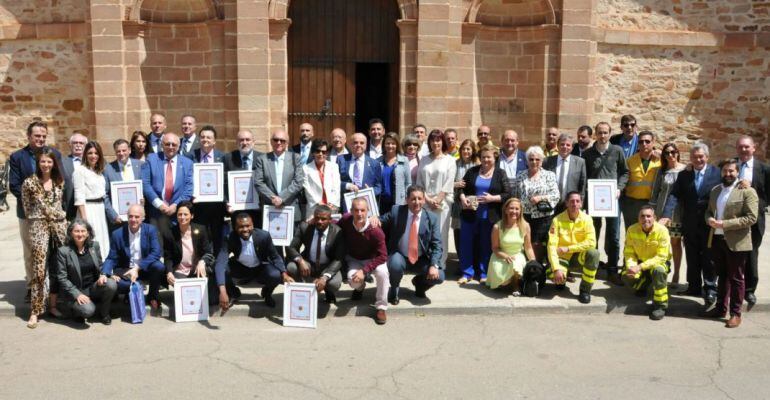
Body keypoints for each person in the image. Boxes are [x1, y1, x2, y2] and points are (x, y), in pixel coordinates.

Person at [9, 121, 63, 303]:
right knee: (31, 253)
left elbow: (60, 179)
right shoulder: (17, 157)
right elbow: (14, 185)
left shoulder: (54, 154)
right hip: (28, 214)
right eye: (37, 135)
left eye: (43, 136)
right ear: (29, 136)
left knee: (53, 252)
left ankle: (53, 288)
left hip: (52, 216)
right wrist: (36, 203)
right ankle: (32, 288)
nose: (40, 139)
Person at [660, 142, 721, 304]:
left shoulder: (717, 173)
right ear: (690, 158)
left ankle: (709, 288)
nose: (698, 159)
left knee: (709, 257)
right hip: (690, 222)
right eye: (694, 157)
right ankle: (693, 286)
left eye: (701, 156)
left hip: (710, 223)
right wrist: (666, 214)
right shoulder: (684, 175)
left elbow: (729, 185)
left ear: (707, 157)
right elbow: (674, 195)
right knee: (692, 256)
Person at [701, 159, 758, 328]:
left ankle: (735, 313)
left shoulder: (747, 191)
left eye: (731, 171)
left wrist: (724, 224)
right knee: (722, 276)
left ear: (737, 172)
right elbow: (709, 211)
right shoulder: (716, 190)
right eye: (725, 171)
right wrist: (709, 219)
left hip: (737, 242)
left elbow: (751, 218)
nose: (728, 174)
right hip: (717, 239)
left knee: (736, 278)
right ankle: (720, 308)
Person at [21, 147, 68, 328]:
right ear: (38, 163)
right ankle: (35, 310)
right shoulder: (29, 183)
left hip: (58, 227)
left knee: (57, 266)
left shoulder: (58, 182)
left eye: (49, 161)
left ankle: (54, 306)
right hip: (38, 226)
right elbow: (27, 208)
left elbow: (59, 205)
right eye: (43, 161)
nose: (46, 164)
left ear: (53, 164)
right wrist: (39, 221)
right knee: (39, 268)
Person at [376, 185, 444, 304]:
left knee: (440, 277)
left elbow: (437, 245)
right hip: (400, 255)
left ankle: (420, 284)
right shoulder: (396, 211)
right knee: (395, 264)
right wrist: (373, 218)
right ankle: (394, 288)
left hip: (421, 258)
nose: (416, 202)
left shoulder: (432, 218)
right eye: (413, 199)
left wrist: (434, 265)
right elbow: (380, 221)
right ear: (407, 200)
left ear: (424, 200)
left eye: (419, 198)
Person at [216, 213, 292, 311]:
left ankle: (267, 294)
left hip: (259, 268)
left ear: (253, 225)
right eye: (241, 227)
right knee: (221, 269)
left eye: (248, 226)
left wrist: (284, 273)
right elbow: (220, 262)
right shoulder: (229, 238)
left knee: (275, 275)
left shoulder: (264, 236)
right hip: (240, 267)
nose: (245, 229)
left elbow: (275, 256)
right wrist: (222, 291)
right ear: (235, 227)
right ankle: (234, 292)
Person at [583, 122, 628, 286]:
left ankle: (612, 270)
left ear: (610, 134)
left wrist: (619, 188)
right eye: (600, 133)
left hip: (612, 200)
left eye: (605, 133)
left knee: (614, 236)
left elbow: (624, 172)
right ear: (595, 134)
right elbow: (584, 175)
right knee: (592, 235)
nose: (602, 136)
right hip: (593, 200)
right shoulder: (588, 154)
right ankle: (592, 267)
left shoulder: (617, 151)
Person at [458, 144, 509, 283]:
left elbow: (508, 194)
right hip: (470, 214)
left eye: (489, 157)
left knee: (486, 245)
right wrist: (462, 198)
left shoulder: (500, 173)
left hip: (490, 216)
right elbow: (461, 188)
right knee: (466, 244)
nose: (485, 160)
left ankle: (483, 273)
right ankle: (467, 273)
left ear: (495, 157)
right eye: (483, 157)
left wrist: (492, 198)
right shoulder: (472, 171)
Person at [102, 204, 165, 315]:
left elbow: (156, 252)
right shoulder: (117, 234)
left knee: (159, 266)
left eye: (137, 217)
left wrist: (137, 267)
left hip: (144, 268)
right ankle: (130, 293)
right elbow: (111, 257)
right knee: (116, 283)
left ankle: (152, 296)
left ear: (143, 218)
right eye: (130, 216)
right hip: (126, 271)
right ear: (127, 217)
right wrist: (104, 273)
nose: (133, 219)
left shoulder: (150, 230)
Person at [337, 197, 389, 324]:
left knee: (383, 273)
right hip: (355, 259)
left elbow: (383, 256)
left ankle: (381, 307)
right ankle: (360, 288)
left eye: (362, 210)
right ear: (351, 211)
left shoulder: (376, 230)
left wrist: (364, 271)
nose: (359, 213)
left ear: (368, 211)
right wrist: (314, 219)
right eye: (356, 210)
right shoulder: (346, 220)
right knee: (352, 280)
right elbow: (333, 225)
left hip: (374, 259)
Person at [56, 219, 117, 325]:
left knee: (111, 284)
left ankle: (104, 313)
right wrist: (77, 294)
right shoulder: (63, 251)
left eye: (83, 231)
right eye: (77, 231)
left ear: (88, 233)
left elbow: (100, 265)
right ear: (71, 233)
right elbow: (62, 278)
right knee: (88, 310)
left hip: (92, 287)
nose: (80, 234)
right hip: (75, 290)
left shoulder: (94, 246)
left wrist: (105, 274)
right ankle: (75, 310)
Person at [735, 135, 770, 309]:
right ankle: (732, 286)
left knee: (751, 253)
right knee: (731, 253)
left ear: (754, 148)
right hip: (733, 219)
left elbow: (767, 196)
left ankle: (749, 290)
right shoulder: (730, 166)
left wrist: (752, 193)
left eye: (746, 147)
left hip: (755, 219)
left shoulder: (764, 169)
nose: (743, 150)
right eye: (740, 147)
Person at [546, 191, 599, 304]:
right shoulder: (557, 220)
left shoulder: (587, 219)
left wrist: (569, 248)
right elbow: (551, 246)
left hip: (578, 257)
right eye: (571, 201)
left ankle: (585, 290)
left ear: (581, 204)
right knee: (552, 274)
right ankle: (561, 280)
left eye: (577, 201)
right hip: (562, 258)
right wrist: (556, 269)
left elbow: (591, 243)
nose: (574, 204)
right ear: (566, 203)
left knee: (594, 253)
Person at [141, 132, 194, 246]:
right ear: (162, 145)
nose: (171, 147)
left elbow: (189, 188)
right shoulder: (151, 159)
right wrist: (159, 204)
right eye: (167, 144)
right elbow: (145, 184)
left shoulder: (187, 163)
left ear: (179, 146)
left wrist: (175, 205)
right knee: (157, 246)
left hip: (178, 213)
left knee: (177, 246)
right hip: (156, 213)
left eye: (174, 144)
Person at [285, 205, 344, 304]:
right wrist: (300, 260)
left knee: (335, 283)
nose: (319, 221)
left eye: (323, 219)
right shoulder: (305, 227)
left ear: (330, 220)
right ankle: (303, 291)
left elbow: (339, 259)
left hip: (327, 266)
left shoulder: (337, 232)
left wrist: (325, 277)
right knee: (291, 267)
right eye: (317, 218)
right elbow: (291, 247)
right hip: (309, 264)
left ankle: (328, 292)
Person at [622, 206, 672, 321]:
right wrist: (631, 267)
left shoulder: (662, 231)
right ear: (638, 218)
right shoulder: (632, 229)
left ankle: (660, 306)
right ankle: (644, 282)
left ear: (654, 218)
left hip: (658, 263)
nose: (645, 219)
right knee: (626, 276)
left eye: (648, 216)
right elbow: (629, 252)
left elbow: (662, 256)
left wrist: (640, 267)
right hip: (639, 262)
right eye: (642, 216)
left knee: (658, 271)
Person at [512, 146, 560, 262]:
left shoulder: (549, 175)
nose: (534, 162)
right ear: (527, 161)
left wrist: (540, 198)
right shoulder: (520, 175)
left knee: (539, 244)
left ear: (542, 161)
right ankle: (528, 268)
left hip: (543, 217)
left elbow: (556, 195)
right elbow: (516, 196)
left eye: (537, 159)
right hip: (525, 216)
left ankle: (538, 268)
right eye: (531, 159)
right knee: (526, 242)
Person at [417, 129, 456, 267]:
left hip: (443, 204)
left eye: (438, 140)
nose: (435, 143)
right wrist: (428, 200)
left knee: (441, 233)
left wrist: (438, 199)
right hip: (426, 202)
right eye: (433, 140)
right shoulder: (424, 160)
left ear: (442, 142)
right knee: (426, 232)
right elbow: (420, 183)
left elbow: (449, 182)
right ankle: (427, 262)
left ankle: (439, 263)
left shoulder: (450, 160)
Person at [649, 143, 685, 285]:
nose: (670, 155)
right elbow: (655, 192)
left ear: (678, 153)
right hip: (660, 212)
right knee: (659, 243)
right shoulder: (661, 171)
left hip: (677, 213)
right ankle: (659, 272)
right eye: (667, 153)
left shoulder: (684, 170)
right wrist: (652, 212)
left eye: (673, 152)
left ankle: (676, 274)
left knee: (675, 243)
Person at [254, 129, 305, 224]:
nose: (278, 142)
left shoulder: (295, 158)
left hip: (290, 206)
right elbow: (258, 182)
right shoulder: (262, 159)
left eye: (282, 140)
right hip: (270, 207)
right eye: (276, 139)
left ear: (287, 143)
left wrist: (281, 198)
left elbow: (298, 182)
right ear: (271, 141)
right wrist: (273, 198)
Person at [189, 125, 226, 254]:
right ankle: (200, 262)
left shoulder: (223, 157)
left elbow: (225, 181)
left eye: (209, 137)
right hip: (198, 205)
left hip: (217, 206)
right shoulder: (190, 156)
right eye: (203, 137)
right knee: (199, 235)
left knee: (217, 236)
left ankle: (215, 265)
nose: (205, 140)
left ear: (214, 141)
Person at [487, 198, 536, 295]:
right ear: (505, 210)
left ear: (521, 210)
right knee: (502, 281)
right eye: (511, 208)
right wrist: (505, 256)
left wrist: (533, 262)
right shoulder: (497, 227)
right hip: (500, 256)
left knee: (515, 264)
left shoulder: (525, 226)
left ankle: (515, 285)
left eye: (517, 209)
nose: (514, 211)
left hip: (517, 255)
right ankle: (506, 282)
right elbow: (495, 248)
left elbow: (528, 247)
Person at [162, 201, 215, 289]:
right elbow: (168, 257)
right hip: (180, 270)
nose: (182, 217)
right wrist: (169, 272)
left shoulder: (201, 230)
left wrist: (202, 262)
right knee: (185, 293)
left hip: (198, 268)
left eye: (185, 214)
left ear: (192, 216)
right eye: (180, 214)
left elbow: (208, 251)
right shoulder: (169, 233)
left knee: (211, 299)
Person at [73, 141, 111, 260]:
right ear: (85, 154)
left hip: (100, 208)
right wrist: (85, 220)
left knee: (101, 238)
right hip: (88, 209)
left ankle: (103, 268)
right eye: (90, 153)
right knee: (90, 238)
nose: (93, 156)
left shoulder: (98, 171)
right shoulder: (80, 171)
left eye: (96, 153)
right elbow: (79, 196)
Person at [621, 131, 660, 231]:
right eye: (641, 142)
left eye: (647, 141)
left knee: (651, 233)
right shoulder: (630, 161)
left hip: (652, 203)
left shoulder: (660, 161)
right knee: (631, 232)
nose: (644, 144)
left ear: (653, 142)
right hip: (632, 203)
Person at [223, 129, 261, 223]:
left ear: (253, 142)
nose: (244, 143)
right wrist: (226, 202)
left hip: (257, 209)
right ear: (236, 142)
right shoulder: (228, 158)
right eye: (241, 140)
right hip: (236, 209)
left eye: (247, 139)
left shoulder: (262, 158)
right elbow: (222, 183)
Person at [104, 139, 144, 229]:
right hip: (118, 219)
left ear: (129, 150)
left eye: (124, 150)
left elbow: (145, 188)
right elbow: (105, 195)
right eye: (118, 151)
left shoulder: (141, 165)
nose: (121, 153)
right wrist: (113, 215)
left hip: (138, 217)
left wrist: (144, 200)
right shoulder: (108, 169)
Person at [452, 139, 479, 268]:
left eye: (468, 149)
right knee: (458, 233)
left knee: (473, 233)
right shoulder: (454, 164)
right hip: (457, 203)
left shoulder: (478, 164)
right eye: (463, 149)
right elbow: (446, 182)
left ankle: (473, 263)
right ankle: (462, 262)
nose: (466, 151)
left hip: (473, 203)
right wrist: (455, 184)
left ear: (473, 150)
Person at [544, 133, 586, 215]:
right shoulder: (547, 161)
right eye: (562, 144)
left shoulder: (580, 162)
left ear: (572, 147)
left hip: (570, 204)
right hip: (550, 204)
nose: (565, 147)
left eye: (568, 145)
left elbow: (582, 185)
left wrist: (580, 204)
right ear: (558, 146)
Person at [337, 132, 383, 205]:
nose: (358, 145)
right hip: (346, 203)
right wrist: (348, 186)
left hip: (366, 204)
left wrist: (371, 191)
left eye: (362, 143)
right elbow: (334, 182)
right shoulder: (341, 160)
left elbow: (379, 186)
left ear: (366, 145)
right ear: (350, 144)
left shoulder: (374, 163)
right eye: (355, 142)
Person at [302, 138, 341, 218]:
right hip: (314, 208)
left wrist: (332, 203)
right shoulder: (305, 168)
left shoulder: (334, 167)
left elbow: (337, 187)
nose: (320, 154)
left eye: (324, 152)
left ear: (327, 153)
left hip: (331, 208)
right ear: (313, 153)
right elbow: (307, 189)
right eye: (317, 151)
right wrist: (319, 203)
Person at [377, 132, 411, 213]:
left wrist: (406, 199)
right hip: (381, 202)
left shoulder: (404, 160)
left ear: (397, 145)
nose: (390, 146)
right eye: (387, 143)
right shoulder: (378, 161)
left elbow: (408, 183)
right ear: (384, 145)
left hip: (399, 201)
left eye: (393, 143)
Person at [59, 133, 87, 219]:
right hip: (69, 208)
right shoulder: (62, 162)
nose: (78, 145)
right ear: (70, 145)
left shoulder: (92, 162)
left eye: (81, 143)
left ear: (85, 146)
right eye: (75, 143)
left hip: (89, 205)